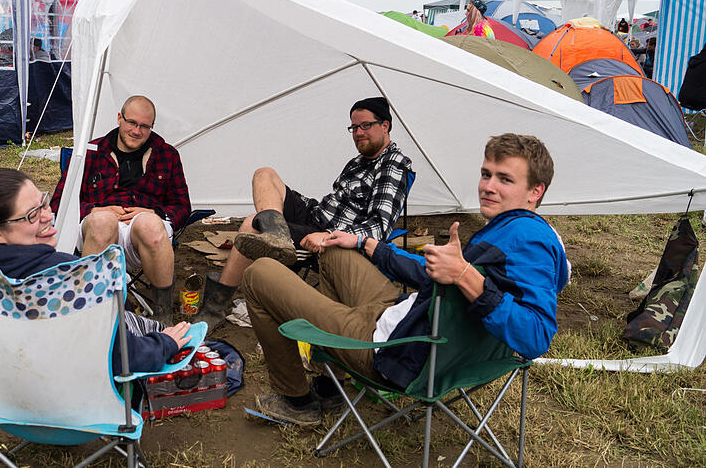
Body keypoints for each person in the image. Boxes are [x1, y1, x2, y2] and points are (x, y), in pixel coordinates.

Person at [242, 133, 568, 426]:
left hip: (391, 348)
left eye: (505, 179)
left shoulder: (527, 241)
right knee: (334, 249)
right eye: (486, 174)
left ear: (535, 191)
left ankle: (297, 402)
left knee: (259, 273)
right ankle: (331, 385)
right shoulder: (513, 229)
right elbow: (433, 273)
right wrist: (364, 243)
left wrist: (465, 275)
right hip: (407, 316)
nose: (488, 186)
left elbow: (535, 336)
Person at [0, 168, 192, 390]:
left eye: (44, 202)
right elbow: (124, 357)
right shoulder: (67, 276)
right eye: (32, 215)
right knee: (167, 335)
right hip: (75, 410)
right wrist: (164, 344)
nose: (48, 215)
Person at [191, 97, 413, 331]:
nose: (358, 133)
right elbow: (332, 204)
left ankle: (214, 309)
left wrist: (327, 236)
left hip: (331, 237)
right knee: (265, 174)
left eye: (365, 126)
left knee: (252, 225)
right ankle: (277, 237)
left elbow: (378, 227)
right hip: (316, 216)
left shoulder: (392, 164)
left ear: (385, 126)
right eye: (354, 127)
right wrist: (288, 199)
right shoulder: (357, 162)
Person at [51, 95, 191, 324]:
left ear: (152, 127)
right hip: (96, 230)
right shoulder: (91, 151)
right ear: (119, 118)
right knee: (103, 221)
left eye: (144, 126)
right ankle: (89, 313)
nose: (137, 131)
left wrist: (154, 213)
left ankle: (163, 316)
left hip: (143, 234)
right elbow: (59, 203)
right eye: (132, 123)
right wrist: (95, 210)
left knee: (149, 224)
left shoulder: (167, 154)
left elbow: (182, 206)